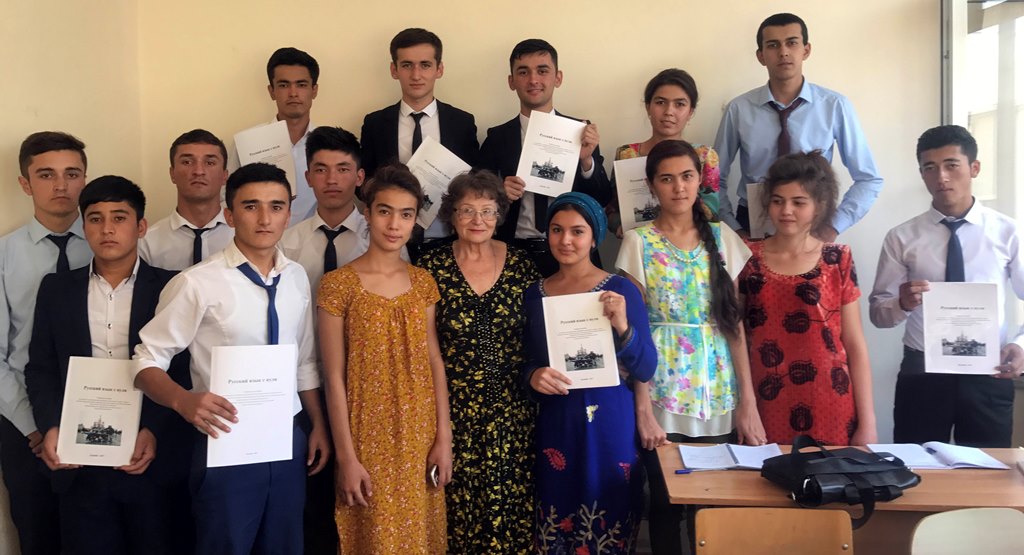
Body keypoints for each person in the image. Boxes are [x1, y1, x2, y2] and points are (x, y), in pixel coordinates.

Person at [132, 163, 331, 555]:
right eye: (251, 206)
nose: (264, 218)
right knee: (226, 544)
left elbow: (305, 361)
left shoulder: (296, 278)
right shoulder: (197, 282)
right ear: (230, 214)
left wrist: (318, 425)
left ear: (288, 214)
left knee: (286, 544)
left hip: (286, 437)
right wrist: (183, 400)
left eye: (276, 207)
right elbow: (145, 361)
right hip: (226, 438)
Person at [616, 140, 763, 554]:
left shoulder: (723, 238)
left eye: (686, 176)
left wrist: (748, 403)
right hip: (661, 391)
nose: (678, 187)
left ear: (701, 180)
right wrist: (643, 411)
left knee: (714, 506)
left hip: (717, 391)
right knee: (665, 505)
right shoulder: (638, 242)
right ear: (651, 186)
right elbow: (633, 335)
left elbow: (734, 326)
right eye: (667, 179)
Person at [25, 176, 179, 555]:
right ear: (83, 226)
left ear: (140, 226)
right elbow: (41, 368)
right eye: (95, 218)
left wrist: (153, 430)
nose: (107, 229)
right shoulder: (56, 289)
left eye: (119, 217)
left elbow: (182, 369)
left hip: (148, 456)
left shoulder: (172, 287)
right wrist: (51, 426)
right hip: (79, 462)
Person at [318, 165, 453, 554]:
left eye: (406, 214)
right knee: (375, 537)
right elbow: (333, 377)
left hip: (419, 433)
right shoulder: (338, 285)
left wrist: (443, 438)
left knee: (419, 535)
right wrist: (346, 457)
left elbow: (434, 361)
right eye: (384, 211)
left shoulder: (423, 282)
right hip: (365, 435)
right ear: (367, 212)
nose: (395, 224)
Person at [869, 125, 1024, 448]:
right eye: (930, 168)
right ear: (921, 174)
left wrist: (1020, 345)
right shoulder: (902, 237)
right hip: (922, 370)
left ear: (974, 168)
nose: (941, 177)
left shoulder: (1007, 232)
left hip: (988, 369)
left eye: (951, 165)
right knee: (917, 466)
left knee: (989, 468)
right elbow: (878, 314)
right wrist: (902, 304)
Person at [522, 191, 656, 554]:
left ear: (594, 238)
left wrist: (623, 325)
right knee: (558, 514)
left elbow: (646, 366)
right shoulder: (534, 295)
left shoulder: (620, 290)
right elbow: (526, 362)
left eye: (577, 231)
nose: (565, 240)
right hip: (558, 422)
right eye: (556, 230)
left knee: (610, 514)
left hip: (610, 422)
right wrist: (533, 376)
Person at [416, 170, 539, 553]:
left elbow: (540, 341)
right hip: (455, 415)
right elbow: (427, 352)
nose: (477, 220)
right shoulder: (430, 268)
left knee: (514, 512)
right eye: (467, 210)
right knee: (460, 516)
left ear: (499, 215)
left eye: (487, 210)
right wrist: (442, 431)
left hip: (515, 415)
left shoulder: (522, 266)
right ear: (451, 215)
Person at [738, 151, 876, 446]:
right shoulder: (746, 257)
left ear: (818, 206)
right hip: (765, 400)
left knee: (832, 475)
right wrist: (744, 403)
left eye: (798, 202)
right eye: (778, 201)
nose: (786, 210)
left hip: (831, 399)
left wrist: (868, 422)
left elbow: (854, 343)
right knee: (765, 474)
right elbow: (735, 336)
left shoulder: (837, 258)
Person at [714, 12, 882, 241]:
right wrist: (733, 230)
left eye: (792, 43)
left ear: (806, 50)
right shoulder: (739, 109)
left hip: (814, 223)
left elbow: (869, 178)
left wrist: (833, 227)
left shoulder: (834, 106)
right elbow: (713, 179)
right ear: (761, 56)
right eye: (773, 45)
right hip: (753, 224)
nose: (783, 52)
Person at [0, 131, 91, 555]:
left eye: (72, 174)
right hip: (23, 421)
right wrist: (34, 424)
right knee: (39, 534)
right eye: (46, 174)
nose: (61, 185)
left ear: (84, 179)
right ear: (25, 183)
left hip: (98, 409)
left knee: (97, 532)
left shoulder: (112, 244)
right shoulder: (5, 255)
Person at [478, 38, 613, 277]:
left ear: (558, 78)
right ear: (511, 81)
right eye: (523, 72)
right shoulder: (497, 137)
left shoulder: (581, 131)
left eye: (542, 71)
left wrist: (586, 161)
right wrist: (499, 193)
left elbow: (602, 198)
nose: (533, 80)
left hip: (573, 252)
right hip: (513, 254)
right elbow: (476, 198)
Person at [361, 28, 479, 261]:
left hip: (448, 241)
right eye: (407, 65)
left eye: (425, 65)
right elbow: (363, 184)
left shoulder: (462, 123)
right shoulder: (375, 124)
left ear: (439, 69)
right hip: (392, 242)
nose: (416, 75)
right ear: (394, 70)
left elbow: (473, 181)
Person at [613, 68, 720, 228]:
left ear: (690, 112)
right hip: (638, 240)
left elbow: (712, 215)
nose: (669, 111)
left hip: (690, 241)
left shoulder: (704, 156)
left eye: (679, 104)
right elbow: (612, 211)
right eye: (660, 102)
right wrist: (620, 226)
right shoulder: (626, 154)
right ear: (648, 107)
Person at [230, 47, 321, 227]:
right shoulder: (248, 142)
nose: (293, 93)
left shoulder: (329, 144)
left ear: (314, 90)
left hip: (316, 240)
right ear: (271, 91)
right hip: (259, 237)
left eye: (301, 84)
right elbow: (228, 197)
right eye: (284, 85)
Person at [140, 129, 234, 270]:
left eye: (210, 163)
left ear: (225, 176)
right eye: (187, 162)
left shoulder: (243, 236)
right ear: (172, 174)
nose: (199, 171)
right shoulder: (147, 243)